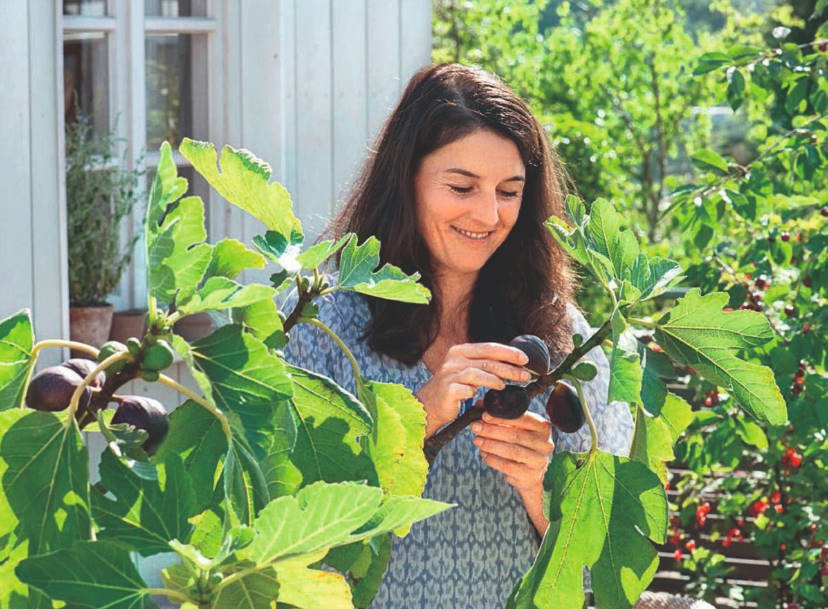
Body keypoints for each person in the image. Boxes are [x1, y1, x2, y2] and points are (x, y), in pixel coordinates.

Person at [282, 63, 634, 609]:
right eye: (461, 186)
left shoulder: (561, 337)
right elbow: (286, 530)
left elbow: (595, 571)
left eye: (510, 191)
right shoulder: (321, 324)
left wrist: (540, 490)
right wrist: (415, 419)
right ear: (407, 180)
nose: (488, 213)